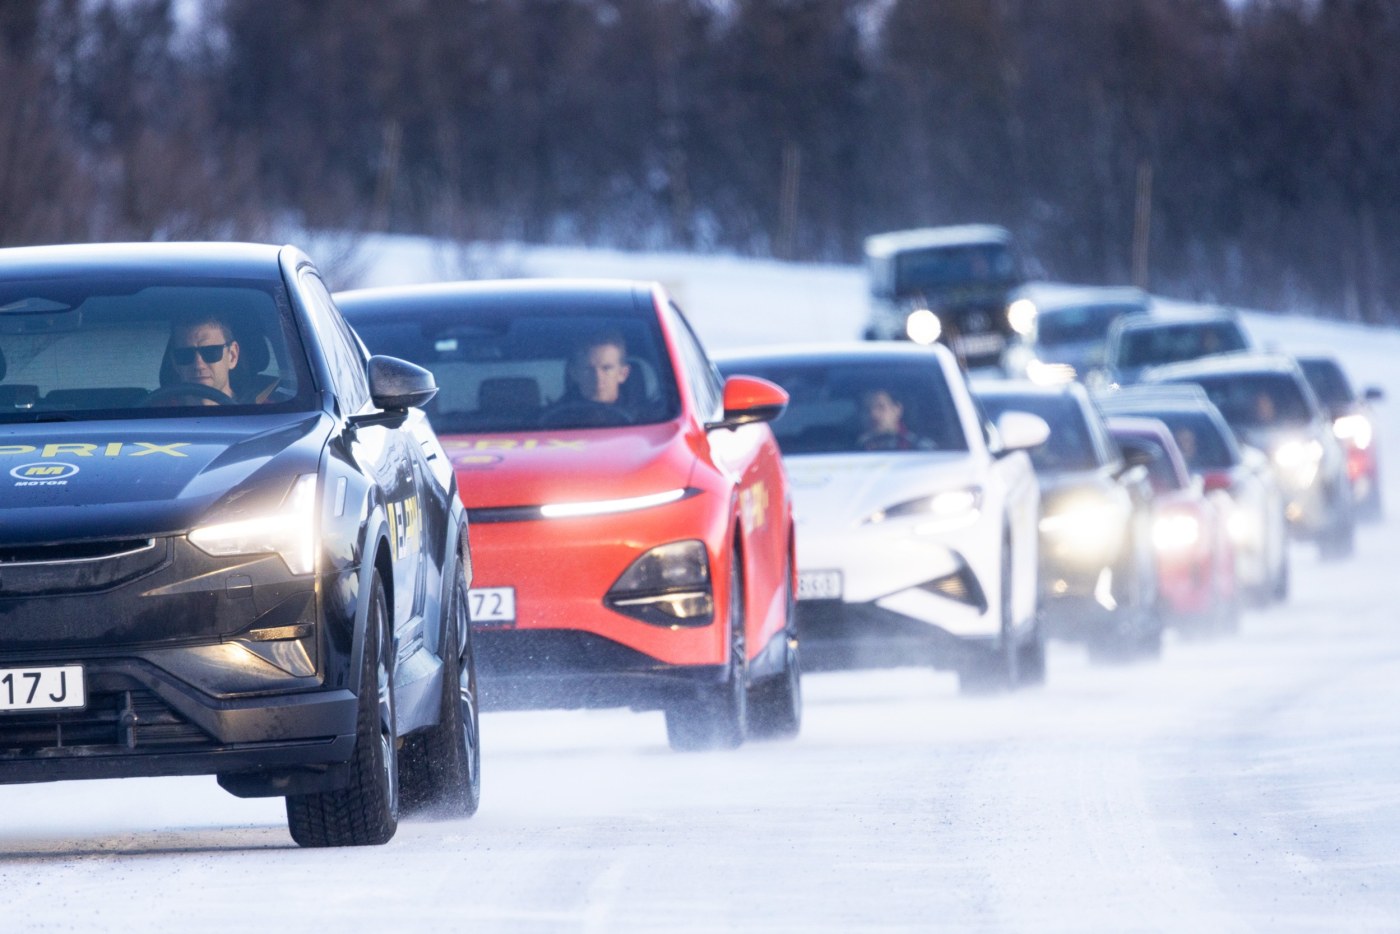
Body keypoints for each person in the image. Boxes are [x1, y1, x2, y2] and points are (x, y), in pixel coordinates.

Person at [165, 313, 242, 404]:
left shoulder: (259, 410)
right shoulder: (154, 413)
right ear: (174, 362)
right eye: (185, 355)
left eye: (210, 352)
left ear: (232, 356)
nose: (198, 365)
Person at [857, 388, 932, 451]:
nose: (873, 414)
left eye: (881, 407)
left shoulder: (922, 448)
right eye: (867, 409)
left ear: (897, 409)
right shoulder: (855, 448)